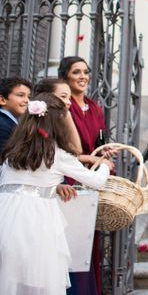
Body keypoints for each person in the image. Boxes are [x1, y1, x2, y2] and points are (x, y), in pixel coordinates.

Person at [0, 93, 113, 295]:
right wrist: (103, 165)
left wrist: (54, 186)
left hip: (6, 213)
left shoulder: (13, 149)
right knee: (39, 275)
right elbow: (96, 181)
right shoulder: (57, 154)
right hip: (37, 217)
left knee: (9, 275)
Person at [57, 57, 110, 295]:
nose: (82, 76)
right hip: (70, 177)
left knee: (89, 242)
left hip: (91, 178)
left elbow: (99, 140)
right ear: (65, 77)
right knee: (72, 243)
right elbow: (63, 149)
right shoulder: (62, 108)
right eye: (76, 72)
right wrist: (87, 159)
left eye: (86, 72)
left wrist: (104, 152)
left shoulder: (95, 106)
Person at [0, 77, 32, 152]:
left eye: (29, 97)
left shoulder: (11, 122)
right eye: (20, 95)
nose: (27, 100)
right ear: (2, 100)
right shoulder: (2, 125)